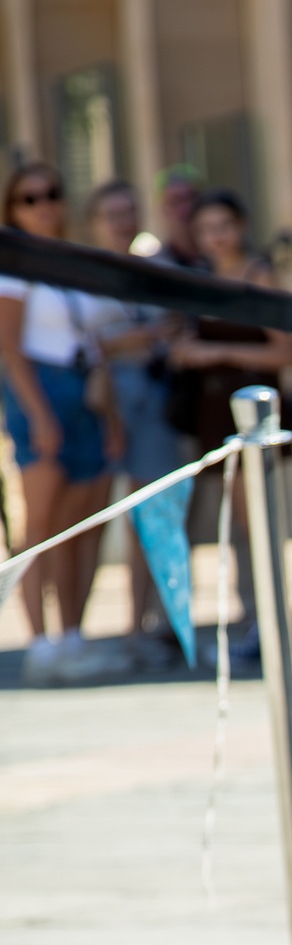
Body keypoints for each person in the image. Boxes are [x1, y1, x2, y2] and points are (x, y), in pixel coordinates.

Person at [0, 161, 128, 684]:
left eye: (51, 194)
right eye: (30, 198)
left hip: (87, 392)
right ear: (13, 209)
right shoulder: (13, 266)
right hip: (42, 391)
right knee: (40, 530)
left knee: (83, 527)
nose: (44, 205)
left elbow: (95, 344)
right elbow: (9, 348)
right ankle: (40, 642)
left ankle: (73, 634)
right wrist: (37, 414)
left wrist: (113, 417)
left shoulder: (73, 264)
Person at [169, 187, 292, 658]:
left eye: (222, 227)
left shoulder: (258, 275)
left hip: (250, 413)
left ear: (241, 227)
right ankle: (253, 624)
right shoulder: (202, 280)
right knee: (232, 525)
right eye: (205, 230)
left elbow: (285, 351)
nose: (215, 238)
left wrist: (217, 353)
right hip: (211, 413)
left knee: (256, 525)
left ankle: (265, 627)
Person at [85, 179, 188, 661]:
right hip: (104, 402)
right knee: (98, 513)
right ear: (95, 222)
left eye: (129, 211)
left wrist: (143, 338)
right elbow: (87, 342)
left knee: (154, 513)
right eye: (113, 213)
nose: (123, 221)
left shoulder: (157, 269)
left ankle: (152, 621)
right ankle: (90, 631)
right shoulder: (80, 275)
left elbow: (174, 328)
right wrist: (138, 336)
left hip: (152, 401)